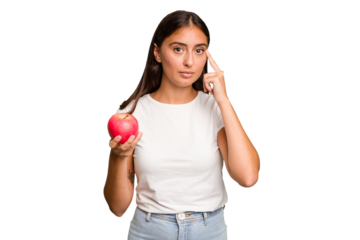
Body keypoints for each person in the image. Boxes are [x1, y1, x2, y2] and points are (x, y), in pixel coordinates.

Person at [104, 8, 260, 240]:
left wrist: (223, 99)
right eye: (178, 49)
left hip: (210, 231)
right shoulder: (131, 113)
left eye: (199, 51)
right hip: (148, 232)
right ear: (157, 52)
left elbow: (248, 179)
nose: (189, 62)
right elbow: (117, 209)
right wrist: (117, 156)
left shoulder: (217, 108)